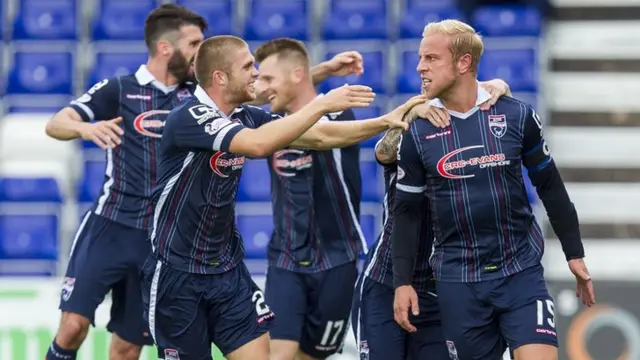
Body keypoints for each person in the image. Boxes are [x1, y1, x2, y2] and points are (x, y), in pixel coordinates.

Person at [43, 4, 365, 359]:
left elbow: (253, 90)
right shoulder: (120, 89)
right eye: (194, 42)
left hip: (160, 236)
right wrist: (85, 128)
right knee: (72, 327)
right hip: (113, 223)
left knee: (127, 346)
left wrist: (317, 73)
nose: (201, 50)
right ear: (166, 48)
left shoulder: (197, 95)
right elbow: (55, 123)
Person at [140, 35, 425, 360]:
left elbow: (317, 135)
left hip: (227, 271)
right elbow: (258, 145)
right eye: (248, 66)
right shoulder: (190, 117)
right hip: (178, 275)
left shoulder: (245, 114)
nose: (255, 73)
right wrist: (322, 103)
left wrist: (386, 121)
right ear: (220, 76)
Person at [391, 19, 595, 360]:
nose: (419, 67)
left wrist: (574, 252)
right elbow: (406, 212)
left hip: (520, 272)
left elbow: (550, 186)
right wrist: (402, 282)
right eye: (420, 58)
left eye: (430, 58)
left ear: (463, 63)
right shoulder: (417, 133)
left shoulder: (516, 116)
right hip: (458, 281)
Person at [251, 38, 428, 360]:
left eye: (266, 78)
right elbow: (266, 93)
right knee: (278, 354)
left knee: (311, 356)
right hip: (285, 259)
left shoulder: (338, 115)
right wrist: (320, 72)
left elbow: (318, 131)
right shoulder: (270, 123)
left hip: (336, 259)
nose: (260, 88)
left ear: (295, 75)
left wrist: (311, 77)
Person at [352, 79, 512, 360]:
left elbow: (504, 111)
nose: (422, 69)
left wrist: (501, 86)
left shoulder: (475, 140)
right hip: (385, 280)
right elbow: (383, 153)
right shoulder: (416, 122)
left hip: (440, 287)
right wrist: (409, 115)